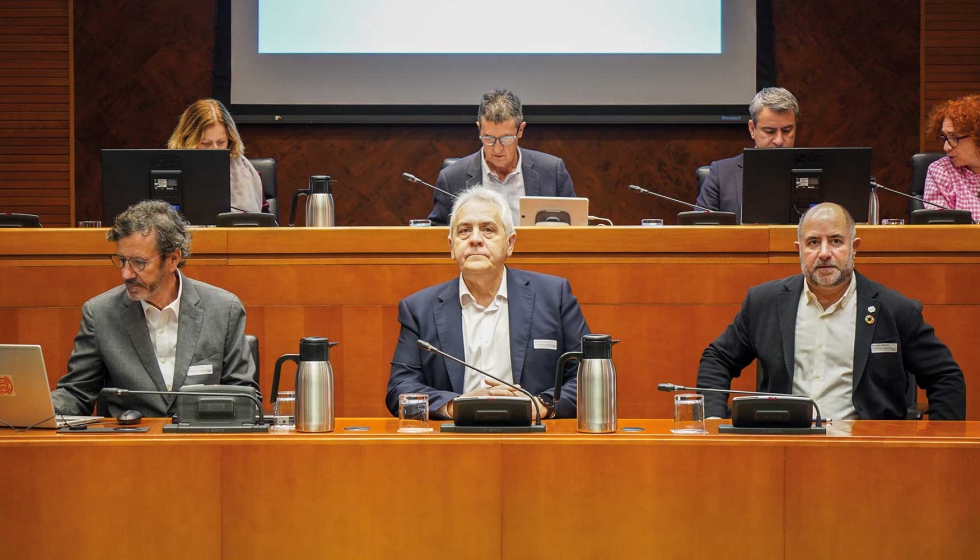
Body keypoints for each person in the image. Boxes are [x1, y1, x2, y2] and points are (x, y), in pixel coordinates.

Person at [696, 203, 965, 420]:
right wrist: (713, 418)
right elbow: (718, 358)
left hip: (866, 451)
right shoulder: (764, 302)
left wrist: (939, 441)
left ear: (854, 248)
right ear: (798, 250)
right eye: (813, 242)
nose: (824, 253)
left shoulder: (896, 310)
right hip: (785, 443)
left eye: (836, 241)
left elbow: (945, 377)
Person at [389, 186, 589, 419]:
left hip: (535, 437)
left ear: (510, 243)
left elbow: (588, 376)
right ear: (451, 246)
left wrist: (539, 405)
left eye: (487, 230)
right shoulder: (418, 309)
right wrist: (459, 405)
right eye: (464, 231)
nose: (475, 239)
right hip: (454, 440)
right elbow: (399, 389)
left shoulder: (554, 296)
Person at [51, 200, 258, 417]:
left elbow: (247, 399)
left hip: (201, 442)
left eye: (139, 262)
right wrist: (34, 407)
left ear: (173, 259)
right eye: (122, 260)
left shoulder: (224, 309)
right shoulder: (100, 313)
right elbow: (76, 394)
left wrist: (195, 414)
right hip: (129, 446)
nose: (126, 274)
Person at [427, 89, 576, 226]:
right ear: (479, 128)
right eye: (489, 138)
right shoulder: (452, 178)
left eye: (506, 139)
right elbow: (437, 234)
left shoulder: (552, 171)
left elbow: (575, 228)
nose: (497, 149)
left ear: (521, 130)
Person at [695, 87, 800, 218]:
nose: (779, 141)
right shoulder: (721, 175)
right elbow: (701, 230)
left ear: (795, 126)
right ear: (752, 129)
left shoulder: (818, 171)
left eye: (787, 130)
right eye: (769, 131)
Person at [167, 98, 266, 214]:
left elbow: (264, 222)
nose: (215, 149)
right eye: (206, 143)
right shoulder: (171, 172)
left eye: (221, 142)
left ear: (230, 140)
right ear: (187, 141)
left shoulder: (247, 172)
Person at [923, 94, 980, 223]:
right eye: (945, 137)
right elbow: (942, 232)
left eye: (954, 138)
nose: (946, 147)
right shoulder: (941, 171)